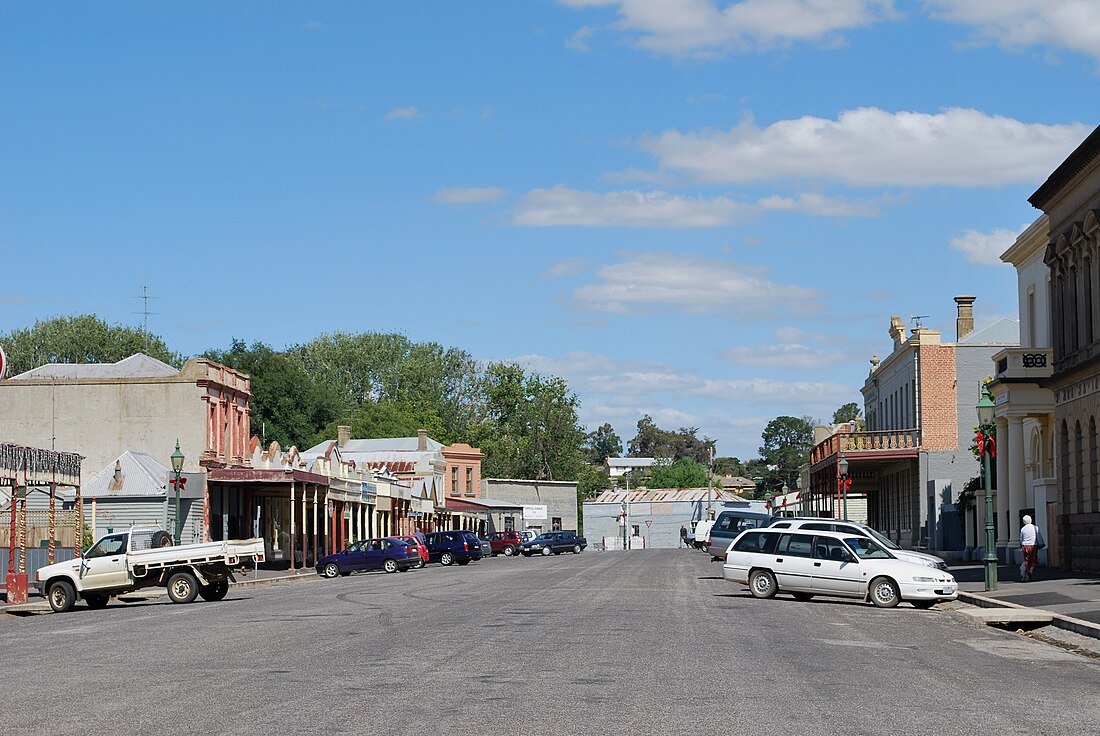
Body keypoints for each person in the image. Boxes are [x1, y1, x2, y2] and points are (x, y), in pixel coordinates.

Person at [1020, 515, 1039, 582]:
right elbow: (1037, 536)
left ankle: (1027, 573)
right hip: (1033, 545)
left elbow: (1021, 539)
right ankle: (1031, 571)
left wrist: (1021, 546)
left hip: (1025, 546)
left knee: (1026, 561)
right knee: (1034, 560)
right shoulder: (1035, 527)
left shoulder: (1023, 529)